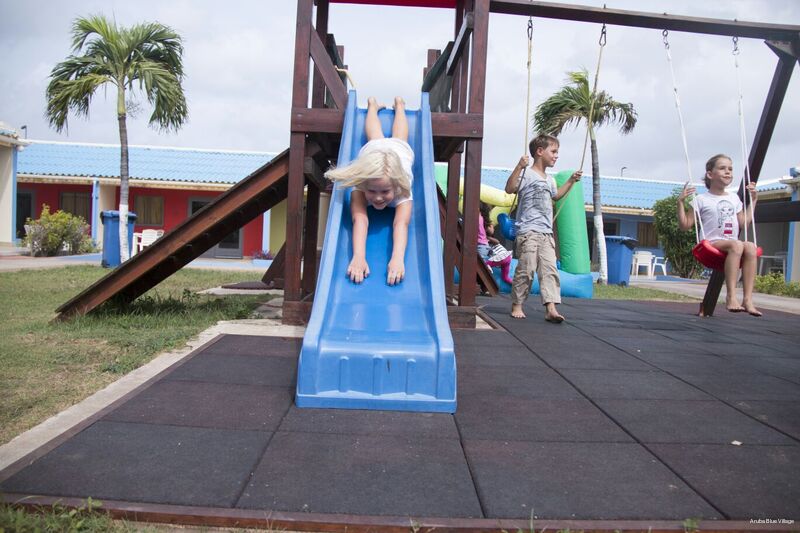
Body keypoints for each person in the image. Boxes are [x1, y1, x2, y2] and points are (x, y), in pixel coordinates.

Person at [325, 96, 413, 286]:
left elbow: (401, 223)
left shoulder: (402, 188)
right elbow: (360, 219)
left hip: (399, 154)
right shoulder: (362, 185)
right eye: (372, 191)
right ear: (365, 185)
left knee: (400, 139)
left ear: (395, 186)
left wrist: (398, 258)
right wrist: (359, 256)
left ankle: (400, 106)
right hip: (373, 154)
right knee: (374, 138)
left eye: (385, 191)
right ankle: (372, 105)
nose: (378, 198)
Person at [504, 134, 582, 322]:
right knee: (526, 268)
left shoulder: (551, 180)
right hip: (528, 231)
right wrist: (518, 166)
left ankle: (551, 308)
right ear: (540, 152)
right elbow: (509, 188)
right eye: (553, 151)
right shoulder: (526, 174)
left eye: (557, 152)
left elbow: (556, 196)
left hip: (546, 233)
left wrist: (571, 181)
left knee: (550, 270)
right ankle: (517, 304)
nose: (556, 156)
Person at [677, 154, 761, 316]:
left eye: (730, 169)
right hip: (711, 244)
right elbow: (685, 225)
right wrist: (680, 203)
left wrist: (754, 201)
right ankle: (731, 297)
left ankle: (748, 299)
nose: (728, 172)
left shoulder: (734, 198)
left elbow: (744, 223)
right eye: (722, 168)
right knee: (737, 244)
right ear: (710, 174)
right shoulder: (701, 199)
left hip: (731, 246)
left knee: (750, 246)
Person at [478, 202, 513, 285]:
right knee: (506, 277)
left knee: (482, 265)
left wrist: (488, 238)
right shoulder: (483, 225)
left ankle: (487, 267)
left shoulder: (481, 222)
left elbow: (494, 239)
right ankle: (516, 285)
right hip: (507, 257)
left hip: (502, 256)